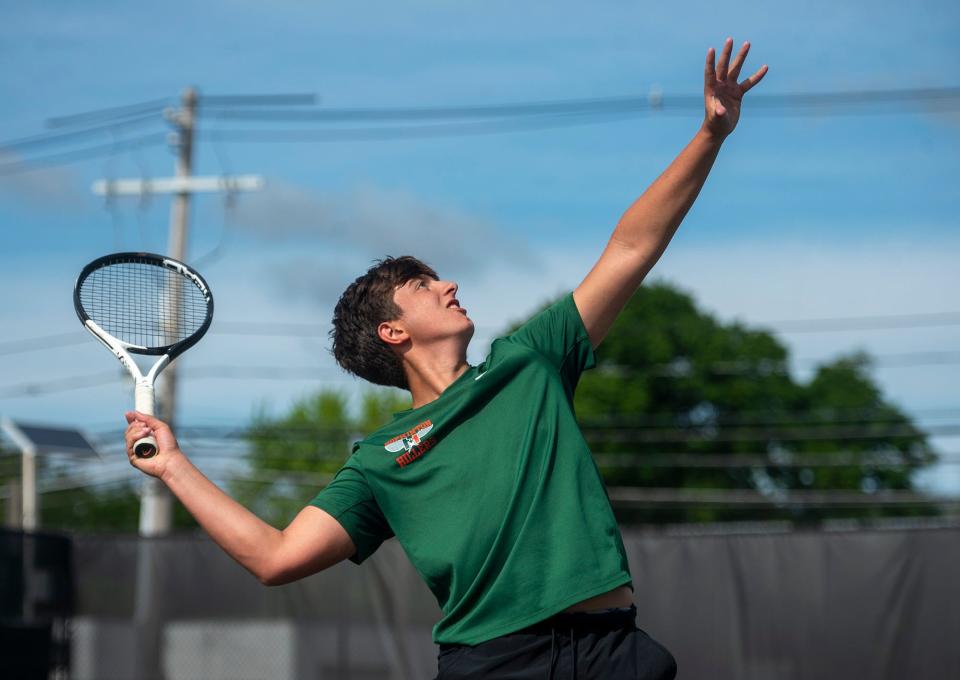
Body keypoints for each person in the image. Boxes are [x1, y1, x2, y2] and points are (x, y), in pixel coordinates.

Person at [124, 38, 767, 680]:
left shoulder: (530, 360)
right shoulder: (380, 459)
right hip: (492, 666)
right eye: (423, 285)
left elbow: (630, 246)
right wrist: (174, 467)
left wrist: (710, 133)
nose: (448, 284)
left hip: (611, 652)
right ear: (392, 332)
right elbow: (275, 557)